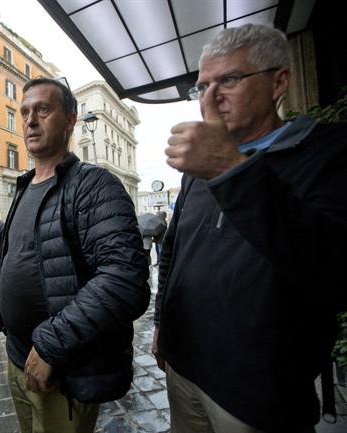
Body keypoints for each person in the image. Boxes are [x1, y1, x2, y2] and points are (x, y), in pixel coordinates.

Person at [153, 24, 347, 433]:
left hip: (259, 391)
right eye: (202, 85)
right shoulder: (198, 167)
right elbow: (172, 249)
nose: (209, 97)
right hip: (184, 370)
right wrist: (162, 325)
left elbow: (335, 266)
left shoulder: (329, 152)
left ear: (279, 81)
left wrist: (230, 169)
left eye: (229, 80)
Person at [0, 77, 150, 433]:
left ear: (70, 119)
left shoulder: (94, 185)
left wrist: (51, 344)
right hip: (18, 358)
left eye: (43, 110)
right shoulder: (22, 187)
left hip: (61, 366)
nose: (30, 120)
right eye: (24, 112)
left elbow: (125, 280)